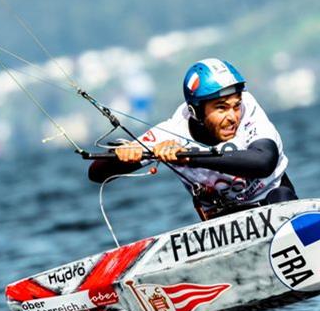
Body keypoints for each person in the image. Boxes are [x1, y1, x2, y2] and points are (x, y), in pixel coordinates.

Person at [89, 58, 297, 220]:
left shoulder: (248, 108)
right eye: (221, 108)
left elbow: (263, 162)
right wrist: (126, 156)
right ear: (195, 111)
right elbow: (96, 172)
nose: (232, 116)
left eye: (235, 105)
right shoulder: (169, 133)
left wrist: (188, 157)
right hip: (223, 222)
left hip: (275, 202)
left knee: (280, 198)